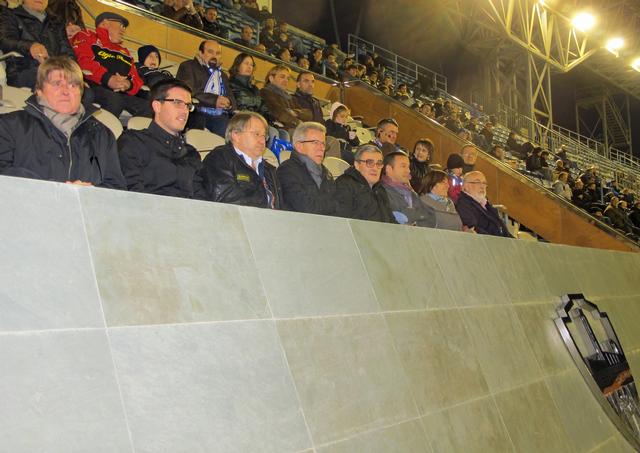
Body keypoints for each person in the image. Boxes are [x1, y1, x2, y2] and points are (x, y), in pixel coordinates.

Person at [0, 56, 125, 188]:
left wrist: (90, 194)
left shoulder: (102, 135)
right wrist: (54, 190)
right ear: (39, 91)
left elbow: (117, 187)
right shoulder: (10, 125)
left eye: (73, 85)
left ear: (81, 93)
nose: (65, 91)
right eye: (57, 84)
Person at [117, 78, 203, 198]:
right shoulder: (133, 142)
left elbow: (201, 198)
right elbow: (130, 191)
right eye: (177, 103)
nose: (185, 111)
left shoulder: (191, 154)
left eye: (188, 106)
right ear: (157, 106)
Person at [72, 12, 151, 117]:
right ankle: (93, 128)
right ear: (105, 23)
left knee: (149, 108)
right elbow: (84, 62)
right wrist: (108, 78)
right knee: (115, 101)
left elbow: (136, 78)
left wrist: (128, 84)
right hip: (93, 85)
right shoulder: (86, 36)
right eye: (121, 25)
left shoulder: (125, 52)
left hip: (120, 91)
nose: (123, 30)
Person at [201, 111, 281, 208]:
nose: (262, 141)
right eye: (256, 134)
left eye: (264, 136)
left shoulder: (269, 169)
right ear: (236, 135)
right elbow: (226, 201)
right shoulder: (219, 158)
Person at [0, 0, 75, 88]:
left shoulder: (57, 23)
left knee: (84, 90)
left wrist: (73, 73)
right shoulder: (10, 15)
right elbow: (5, 40)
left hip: (55, 71)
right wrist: (30, 46)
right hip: (23, 69)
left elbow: (67, 52)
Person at [176, 39, 236, 136]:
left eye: (217, 53)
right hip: (197, 112)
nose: (214, 56)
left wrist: (228, 103)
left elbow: (232, 99)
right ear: (201, 53)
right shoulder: (188, 67)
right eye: (210, 52)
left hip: (221, 116)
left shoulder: (223, 76)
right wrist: (214, 101)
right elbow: (186, 91)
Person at [277, 122, 337, 215]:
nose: (322, 148)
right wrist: (332, 205)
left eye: (323, 144)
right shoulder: (287, 170)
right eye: (315, 142)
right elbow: (306, 208)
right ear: (299, 146)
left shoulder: (326, 174)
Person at [335, 144, 394, 223]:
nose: (375, 168)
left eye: (379, 164)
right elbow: (341, 221)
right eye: (369, 163)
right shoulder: (344, 184)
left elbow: (391, 221)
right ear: (357, 165)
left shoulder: (380, 190)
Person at [381, 151, 435, 227]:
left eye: (408, 167)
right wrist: (415, 216)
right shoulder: (381, 191)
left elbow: (431, 217)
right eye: (403, 166)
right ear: (389, 169)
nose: (408, 171)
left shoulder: (411, 193)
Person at [455, 171, 512, 237]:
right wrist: (499, 241)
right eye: (477, 182)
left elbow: (503, 229)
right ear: (466, 186)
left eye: (484, 183)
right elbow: (473, 229)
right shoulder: (463, 204)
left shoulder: (486, 204)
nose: (482, 186)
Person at [260, 64, 303, 130]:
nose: (286, 80)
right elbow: (278, 112)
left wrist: (295, 112)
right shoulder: (265, 92)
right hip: (274, 127)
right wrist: (297, 121)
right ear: (271, 78)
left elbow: (308, 114)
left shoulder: (290, 98)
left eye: (288, 78)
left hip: (290, 128)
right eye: (282, 77)